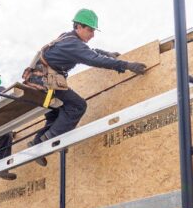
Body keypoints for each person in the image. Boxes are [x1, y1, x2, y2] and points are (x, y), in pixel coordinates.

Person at [23, 9, 147, 166]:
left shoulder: (69, 39)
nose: (92, 34)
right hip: (44, 82)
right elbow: (93, 59)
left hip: (45, 80)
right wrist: (126, 65)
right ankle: (48, 142)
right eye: (90, 29)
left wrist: (105, 53)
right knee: (77, 105)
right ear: (78, 27)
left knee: (57, 112)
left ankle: (38, 144)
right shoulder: (72, 43)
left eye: (93, 30)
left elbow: (89, 52)